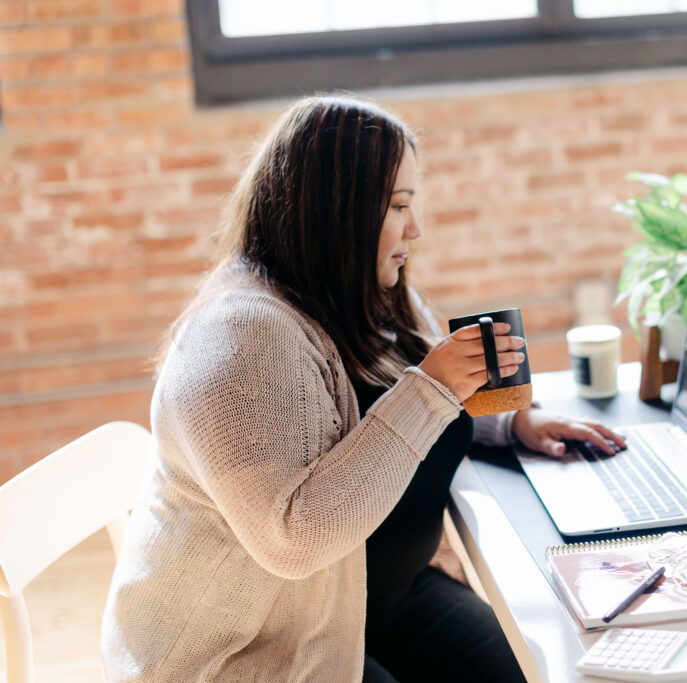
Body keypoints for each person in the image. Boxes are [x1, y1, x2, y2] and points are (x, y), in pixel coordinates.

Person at [100, 95, 625, 683]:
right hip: (258, 653)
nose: (415, 228)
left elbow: (377, 412)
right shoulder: (244, 337)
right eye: (398, 205)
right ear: (336, 212)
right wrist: (432, 387)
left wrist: (505, 422)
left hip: (381, 599)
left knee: (535, 671)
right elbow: (295, 539)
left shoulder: (365, 295)